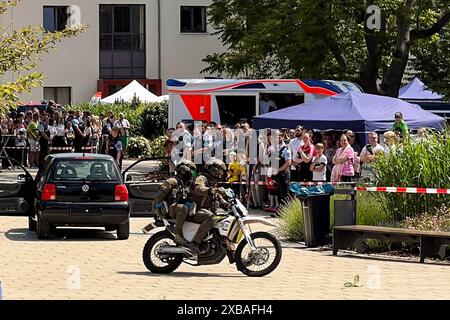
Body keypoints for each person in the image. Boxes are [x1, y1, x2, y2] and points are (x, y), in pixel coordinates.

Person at [141, 160, 197, 246]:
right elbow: (158, 197)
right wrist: (159, 211)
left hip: (181, 208)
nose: (193, 173)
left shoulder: (188, 183)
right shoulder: (172, 181)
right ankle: (178, 235)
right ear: (184, 170)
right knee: (183, 208)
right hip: (171, 208)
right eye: (191, 170)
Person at [187, 159, 227, 253]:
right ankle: (195, 243)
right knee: (212, 218)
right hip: (196, 210)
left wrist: (225, 203)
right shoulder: (201, 178)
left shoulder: (212, 182)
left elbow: (217, 195)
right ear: (214, 169)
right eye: (220, 170)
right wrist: (210, 190)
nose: (221, 172)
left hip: (205, 210)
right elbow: (198, 189)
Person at [267, 130, 291, 216]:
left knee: (285, 194)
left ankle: (285, 213)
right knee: (279, 194)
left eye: (279, 137)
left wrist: (279, 170)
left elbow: (288, 162)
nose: (277, 139)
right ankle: (280, 212)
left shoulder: (286, 149)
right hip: (277, 175)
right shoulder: (275, 148)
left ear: (282, 137)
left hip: (284, 174)